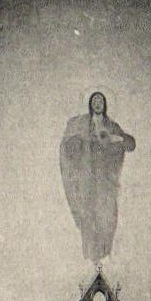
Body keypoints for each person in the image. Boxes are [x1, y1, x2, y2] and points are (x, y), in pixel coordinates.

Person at [59, 91, 136, 264]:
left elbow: (130, 144)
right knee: (88, 216)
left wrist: (113, 138)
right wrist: (81, 140)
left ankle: (105, 252)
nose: (98, 103)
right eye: (95, 100)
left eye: (101, 100)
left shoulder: (112, 126)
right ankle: (92, 258)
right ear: (90, 104)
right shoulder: (81, 125)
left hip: (106, 182)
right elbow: (68, 146)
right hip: (87, 181)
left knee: (108, 217)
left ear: (106, 103)